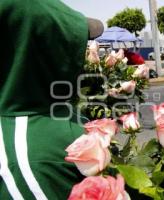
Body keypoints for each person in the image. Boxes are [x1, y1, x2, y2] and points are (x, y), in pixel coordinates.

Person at [0, 0, 103, 199]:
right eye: (72, 44)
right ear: (48, 52)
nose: (82, 53)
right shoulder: (29, 159)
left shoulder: (50, 109)